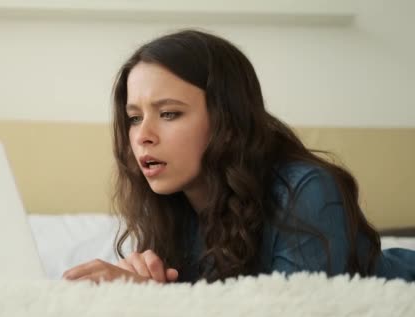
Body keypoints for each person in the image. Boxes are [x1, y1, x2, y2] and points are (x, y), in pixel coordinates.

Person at [62, 29, 415, 284]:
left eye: (169, 113)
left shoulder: (306, 191)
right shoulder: (171, 210)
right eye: (134, 117)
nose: (142, 135)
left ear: (226, 119)